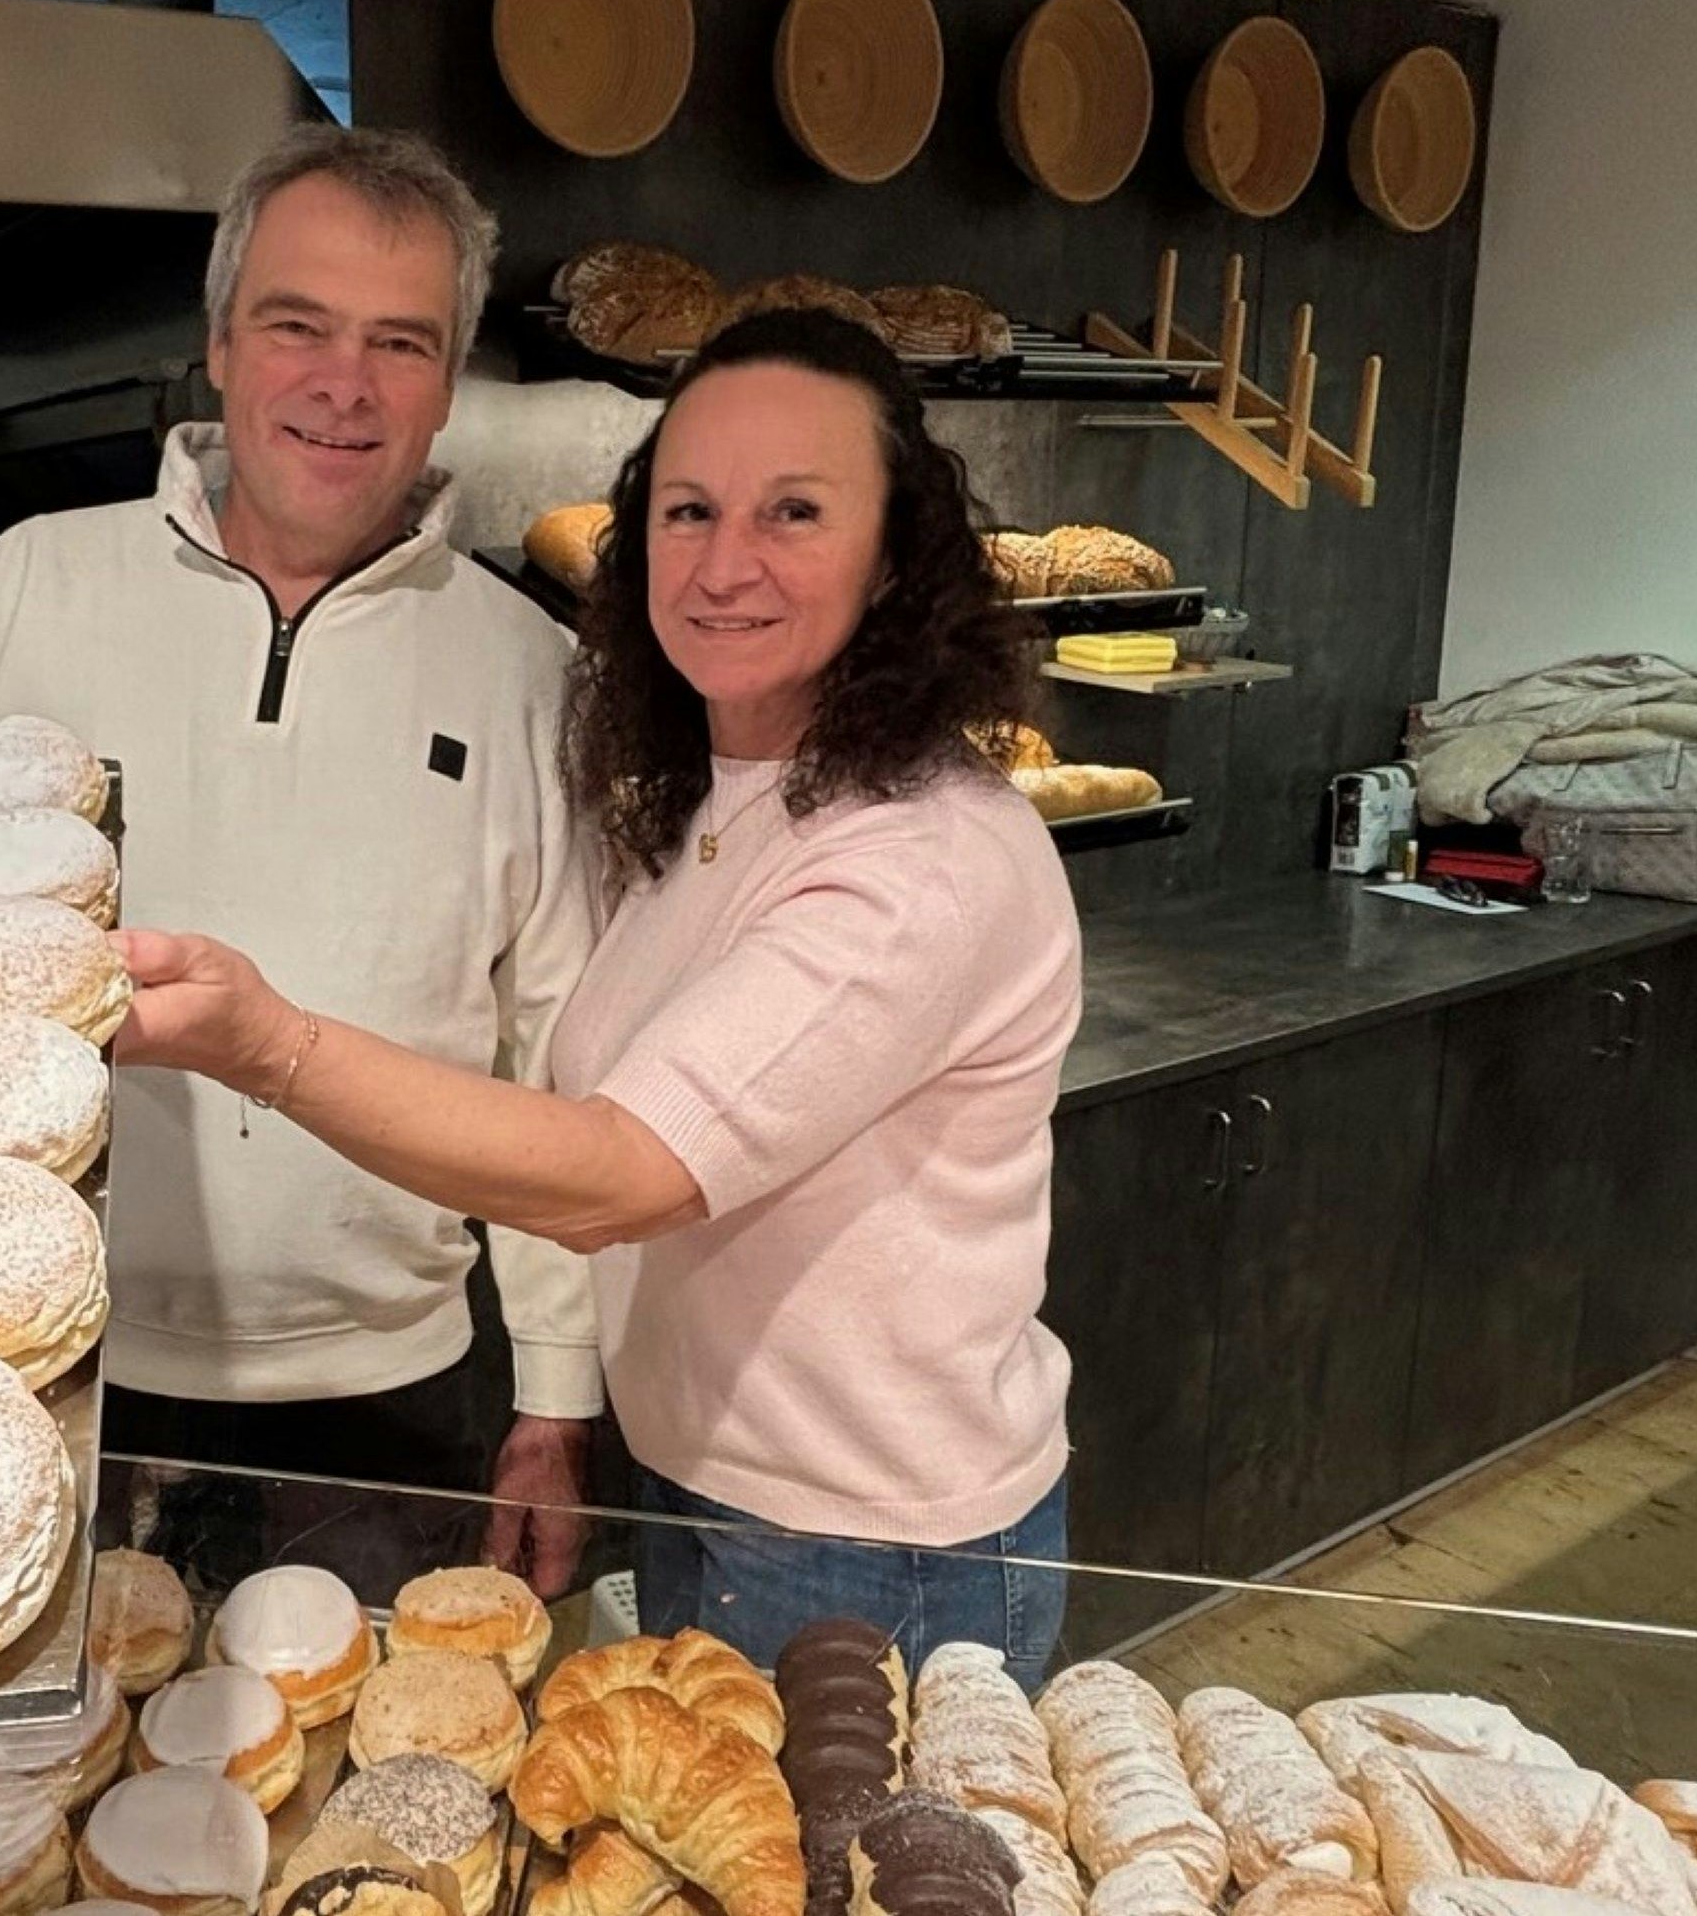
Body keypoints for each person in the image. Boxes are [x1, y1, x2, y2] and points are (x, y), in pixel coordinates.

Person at [0, 126, 602, 1594]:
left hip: (389, 1400)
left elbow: (556, 1045)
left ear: (448, 382)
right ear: (220, 343)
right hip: (20, 1371)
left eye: (399, 343)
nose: (342, 383)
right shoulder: (24, 583)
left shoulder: (531, 667)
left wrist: (556, 1388)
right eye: (297, 324)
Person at [115, 305, 1084, 1679]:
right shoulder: (716, 801)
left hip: (873, 1546)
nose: (723, 563)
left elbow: (614, 1168)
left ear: (892, 559)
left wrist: (260, 1040)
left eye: (793, 512)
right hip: (703, 1486)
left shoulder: (918, 856)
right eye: (687, 511)